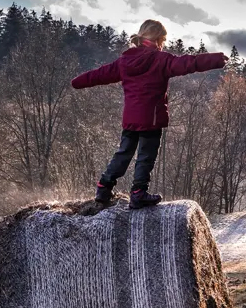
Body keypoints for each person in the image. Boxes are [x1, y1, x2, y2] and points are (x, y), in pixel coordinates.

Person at [71, 19, 229, 209]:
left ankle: (104, 188)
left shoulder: (124, 61)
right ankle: (138, 193)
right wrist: (217, 59)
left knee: (123, 153)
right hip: (152, 120)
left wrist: (76, 82)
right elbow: (190, 63)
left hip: (130, 119)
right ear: (159, 39)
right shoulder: (162, 60)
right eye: (163, 41)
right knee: (146, 156)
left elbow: (97, 75)